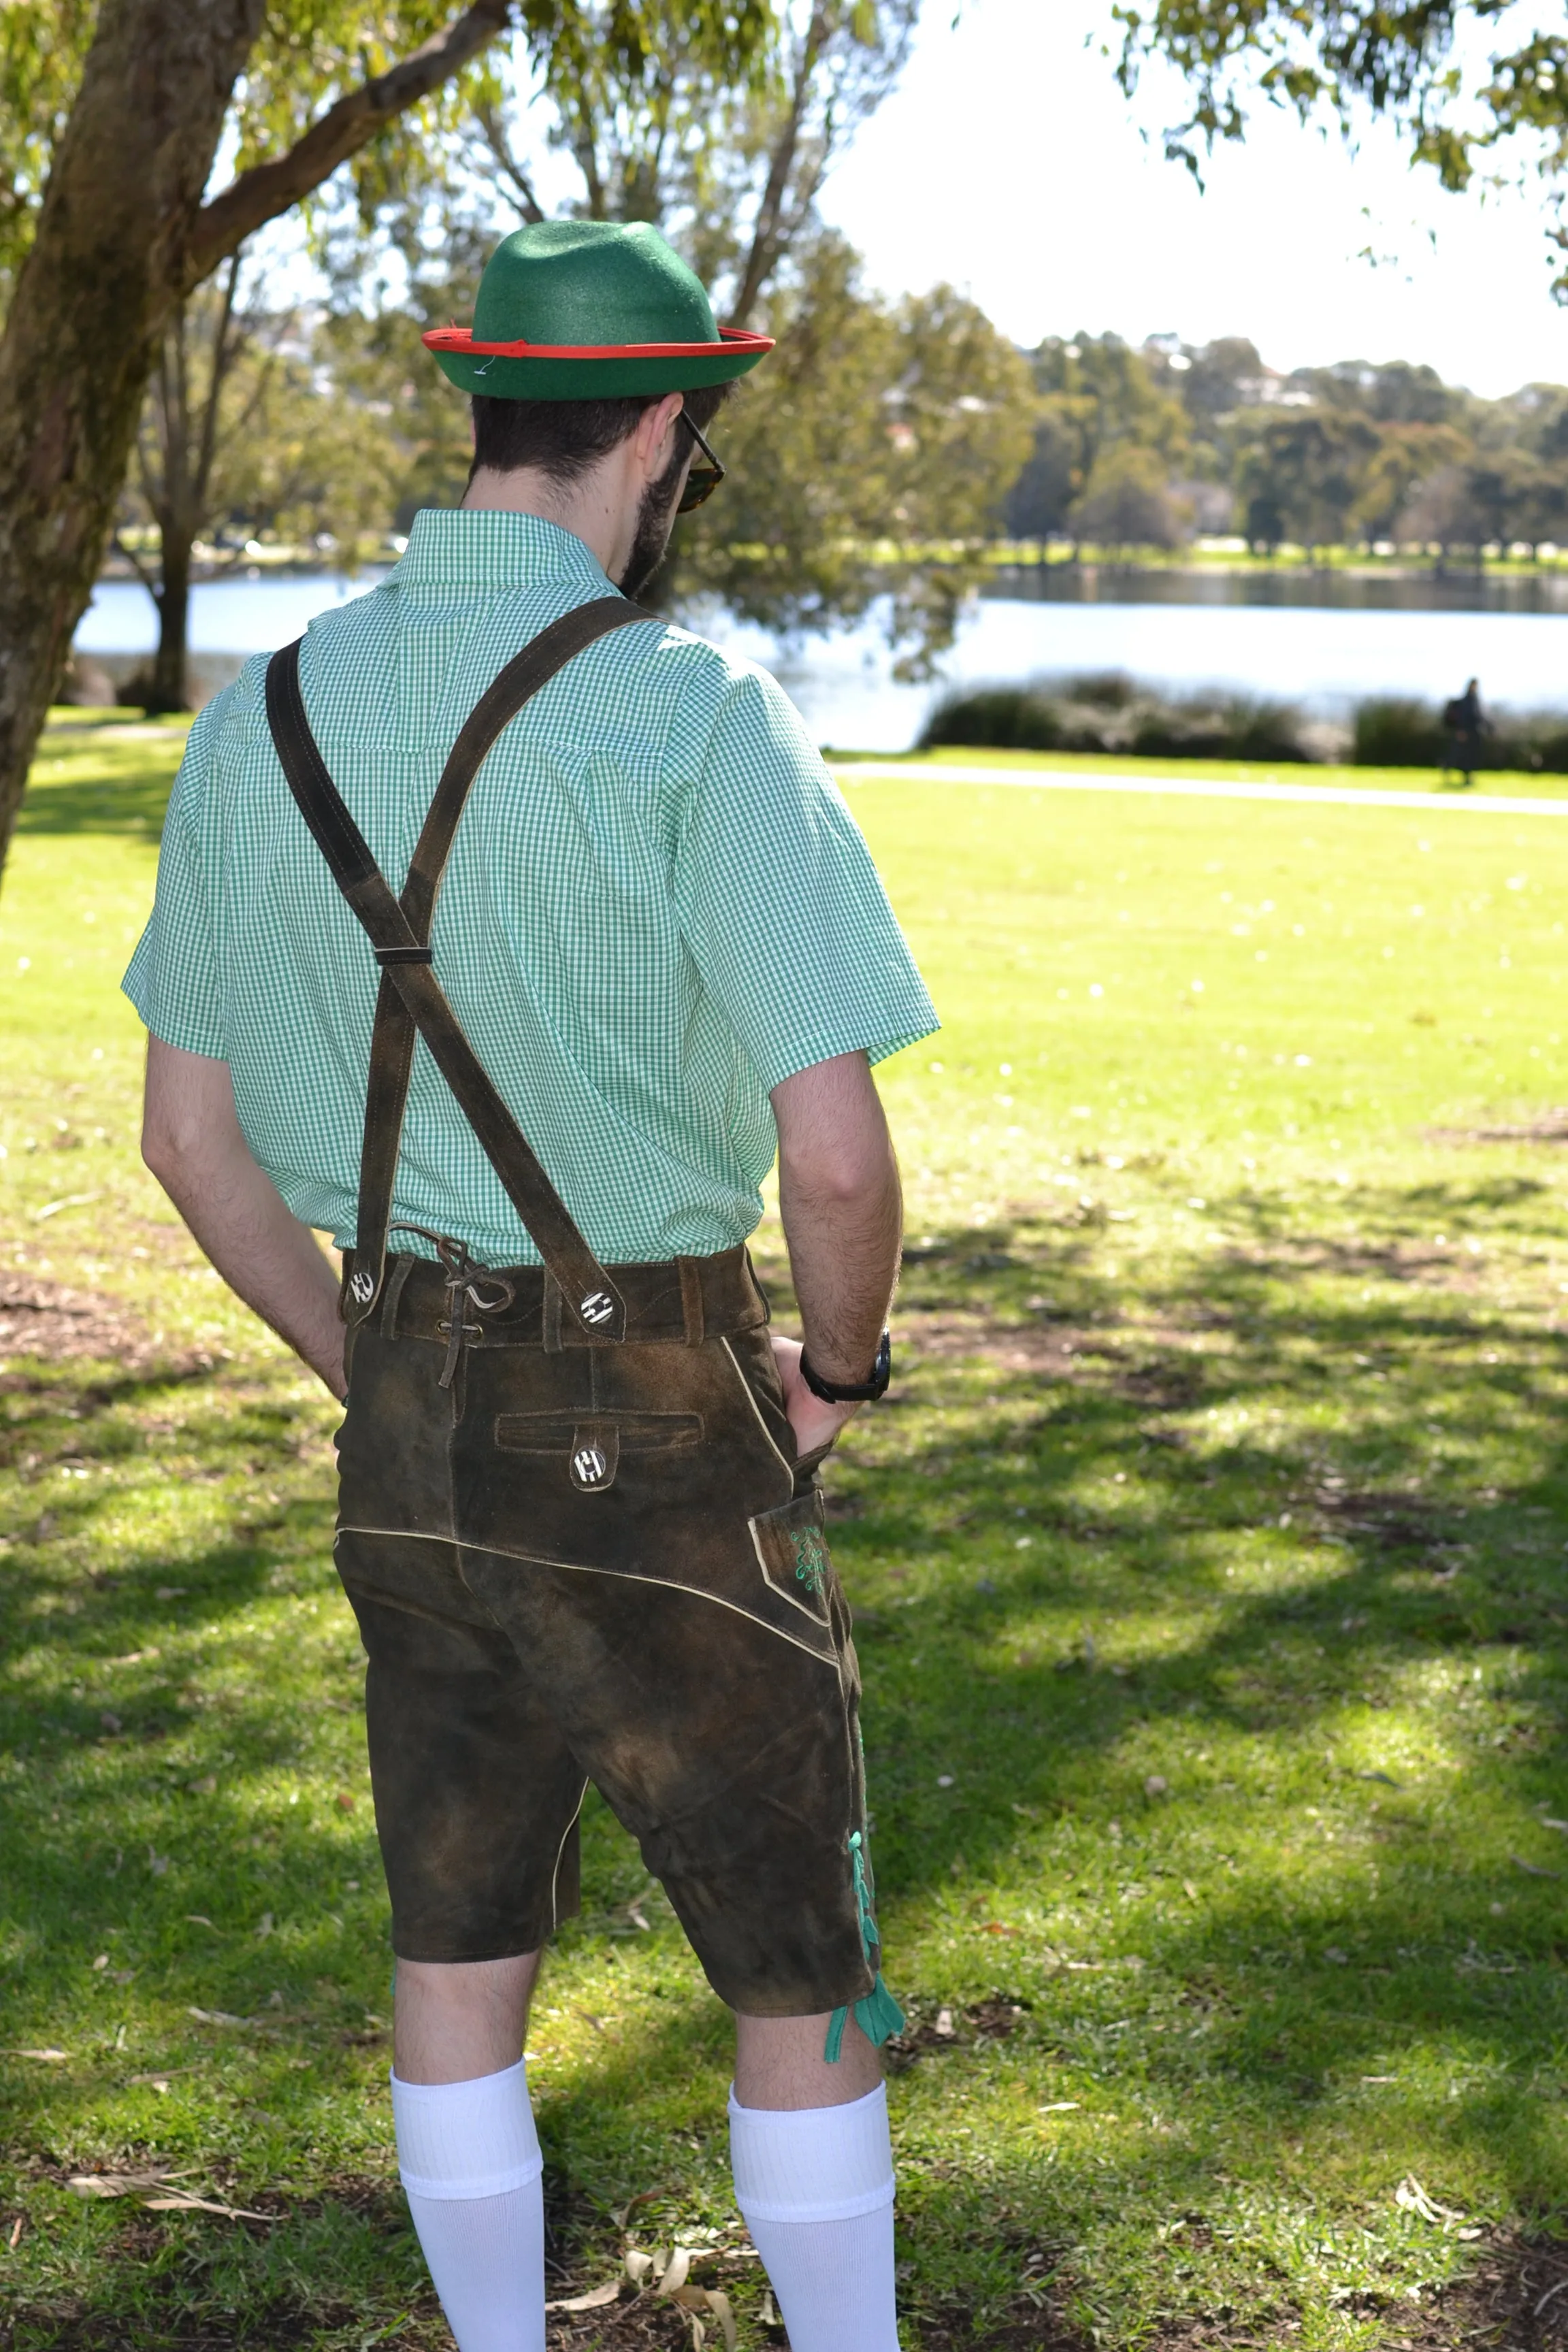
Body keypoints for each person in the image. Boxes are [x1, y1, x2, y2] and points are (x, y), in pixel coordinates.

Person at [123, 218, 938, 2352]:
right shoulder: (689, 713)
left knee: (457, 1946)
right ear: (662, 431)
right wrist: (838, 1369)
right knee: (797, 1965)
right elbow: (835, 1155)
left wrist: (368, 1366)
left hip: (405, 1420)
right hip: (658, 1420)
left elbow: (186, 1142)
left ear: (485, 403)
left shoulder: (264, 715)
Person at [1441, 676, 1487, 785]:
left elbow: (1478, 716)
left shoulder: (1475, 699)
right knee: (1462, 756)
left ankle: (1467, 778)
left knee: (1470, 757)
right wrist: (1461, 730)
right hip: (1466, 733)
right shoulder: (1467, 701)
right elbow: (1465, 717)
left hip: (1474, 733)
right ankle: (1450, 770)